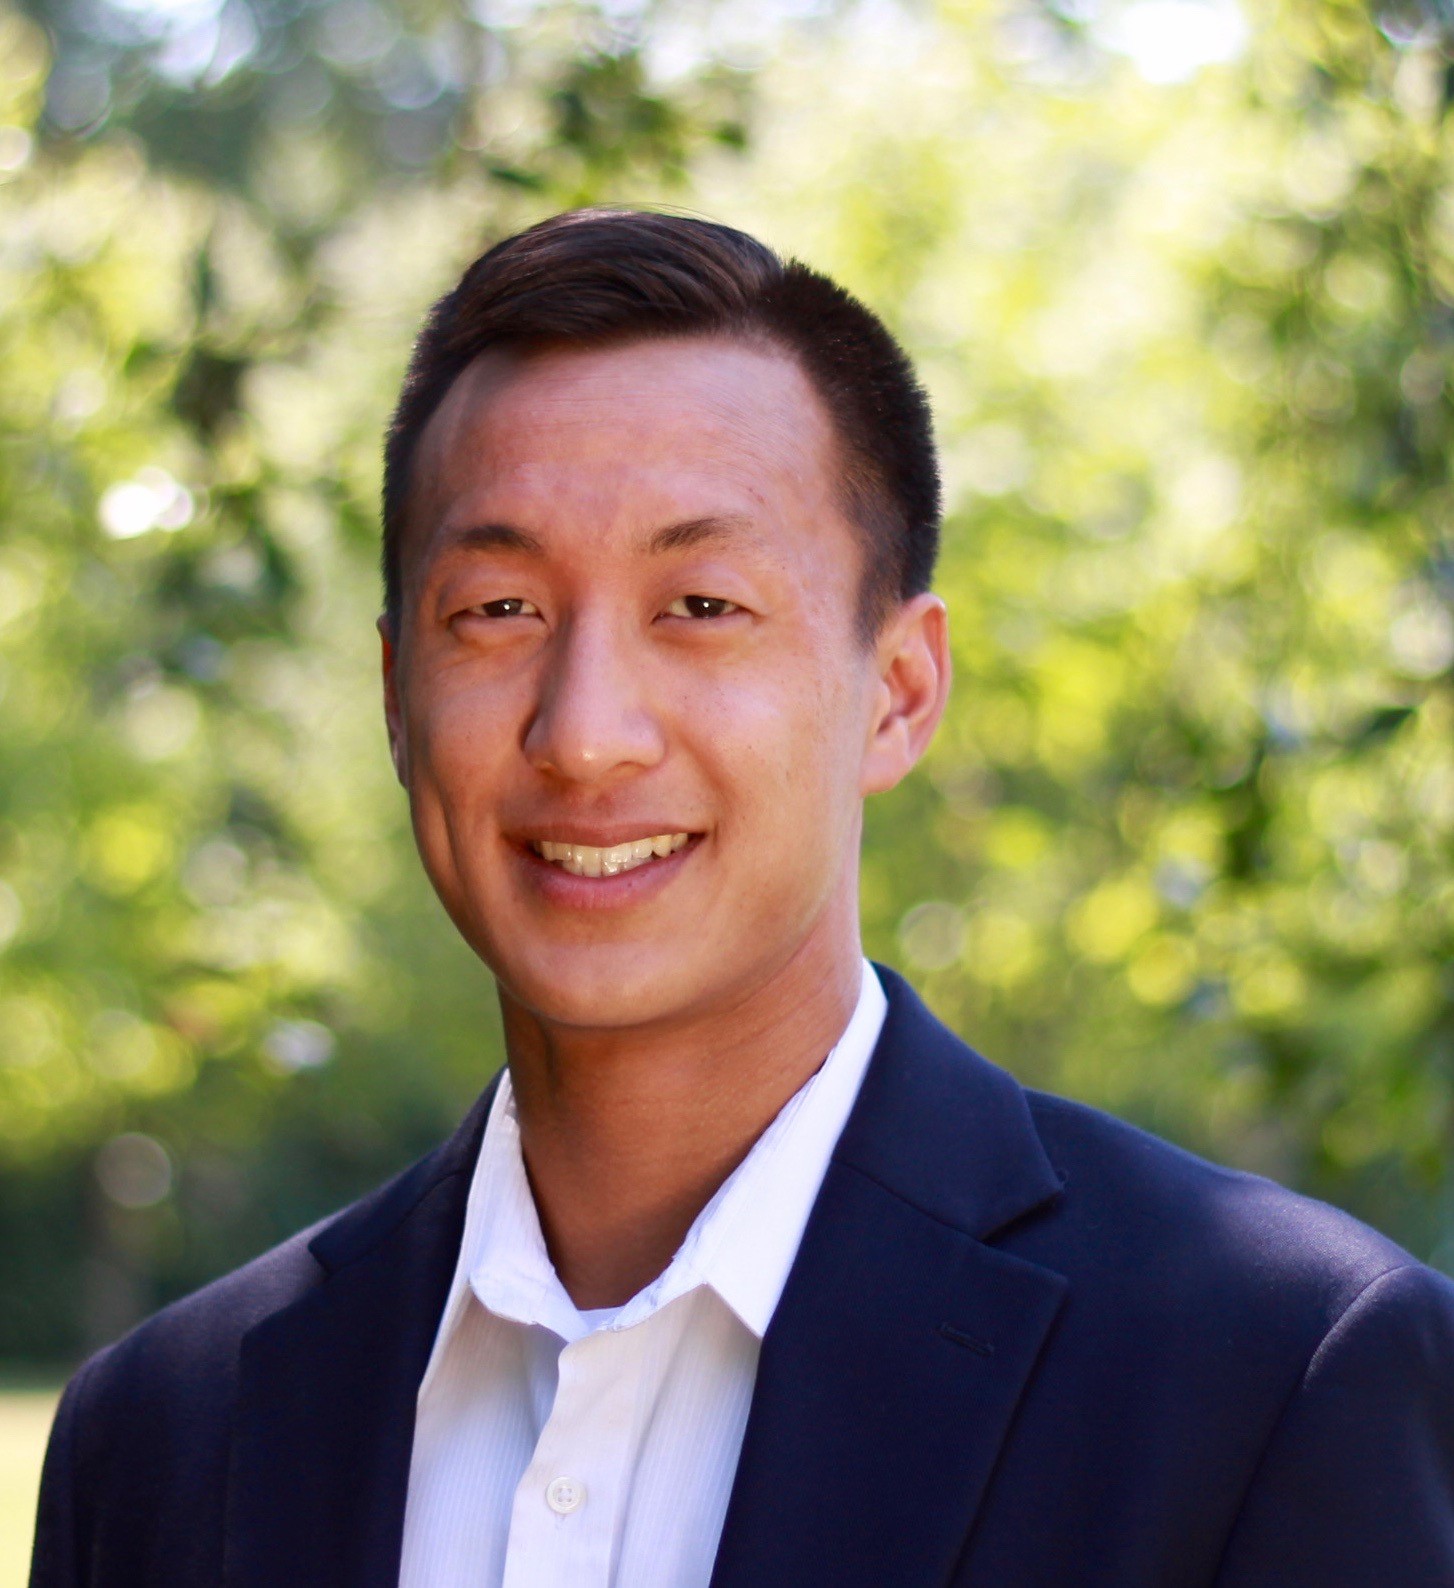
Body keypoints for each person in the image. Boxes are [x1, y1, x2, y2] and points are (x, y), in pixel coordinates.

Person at [29, 208, 1454, 1588]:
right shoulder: (164, 1438)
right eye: (499, 612)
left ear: (896, 692)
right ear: (396, 693)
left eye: (700, 606)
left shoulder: (1267, 1379)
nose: (585, 734)